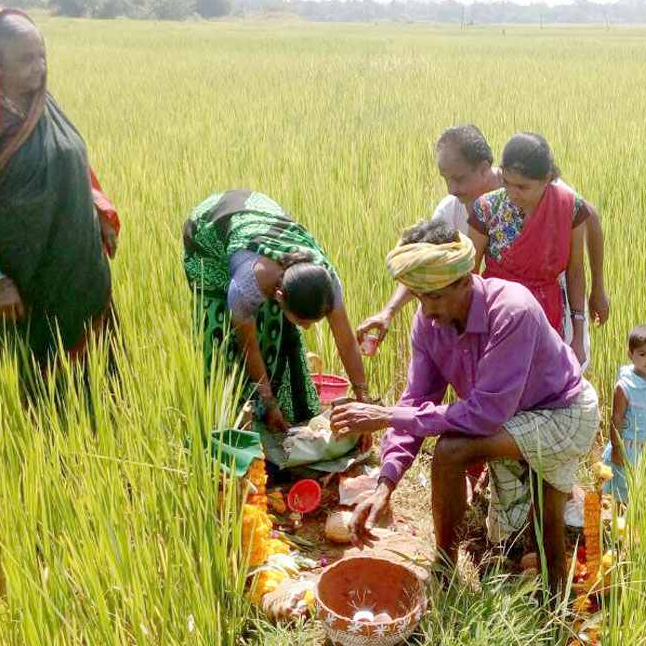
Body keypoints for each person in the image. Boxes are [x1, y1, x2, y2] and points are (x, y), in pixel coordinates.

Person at [331, 219, 600, 590]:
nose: (426, 308)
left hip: (562, 412)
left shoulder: (511, 309)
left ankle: (551, 603)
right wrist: (385, 484)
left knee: (543, 522)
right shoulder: (429, 323)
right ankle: (446, 567)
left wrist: (384, 415)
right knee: (507, 534)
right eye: (420, 296)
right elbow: (418, 400)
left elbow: (486, 413)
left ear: (464, 279)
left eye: (436, 296)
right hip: (513, 417)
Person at [0, 10, 120, 390]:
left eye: (41, 55)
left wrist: (98, 209)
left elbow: (69, 157)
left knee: (100, 382)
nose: (39, 67)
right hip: (27, 278)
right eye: (26, 59)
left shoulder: (44, 103)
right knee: (45, 386)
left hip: (79, 264)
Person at [356, 124, 609, 362]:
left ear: (484, 168)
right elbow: (436, 266)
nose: (451, 189)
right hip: (499, 313)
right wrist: (390, 310)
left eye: (458, 178)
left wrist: (596, 292)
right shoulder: (470, 209)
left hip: (552, 308)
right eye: (445, 178)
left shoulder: (554, 193)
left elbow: (585, 231)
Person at [182, 190, 369, 448]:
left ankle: (277, 418)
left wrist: (364, 399)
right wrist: (267, 400)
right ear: (279, 294)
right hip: (208, 233)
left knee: (275, 329)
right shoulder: (245, 286)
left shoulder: (326, 281)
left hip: (258, 217)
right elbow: (249, 346)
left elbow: (346, 342)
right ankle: (225, 426)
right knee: (219, 333)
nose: (306, 327)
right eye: (303, 320)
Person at [468, 132, 599, 366]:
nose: (512, 193)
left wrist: (577, 336)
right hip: (499, 315)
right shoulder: (487, 208)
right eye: (506, 182)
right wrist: (473, 330)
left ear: (547, 178)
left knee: (543, 388)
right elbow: (471, 274)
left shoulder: (570, 207)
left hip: (547, 315)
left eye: (523, 187)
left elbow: (575, 271)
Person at [602, 324, 646, 506]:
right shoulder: (625, 386)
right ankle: (622, 528)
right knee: (624, 491)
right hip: (630, 449)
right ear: (630, 354)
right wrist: (617, 448)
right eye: (643, 354)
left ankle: (644, 526)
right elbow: (616, 418)